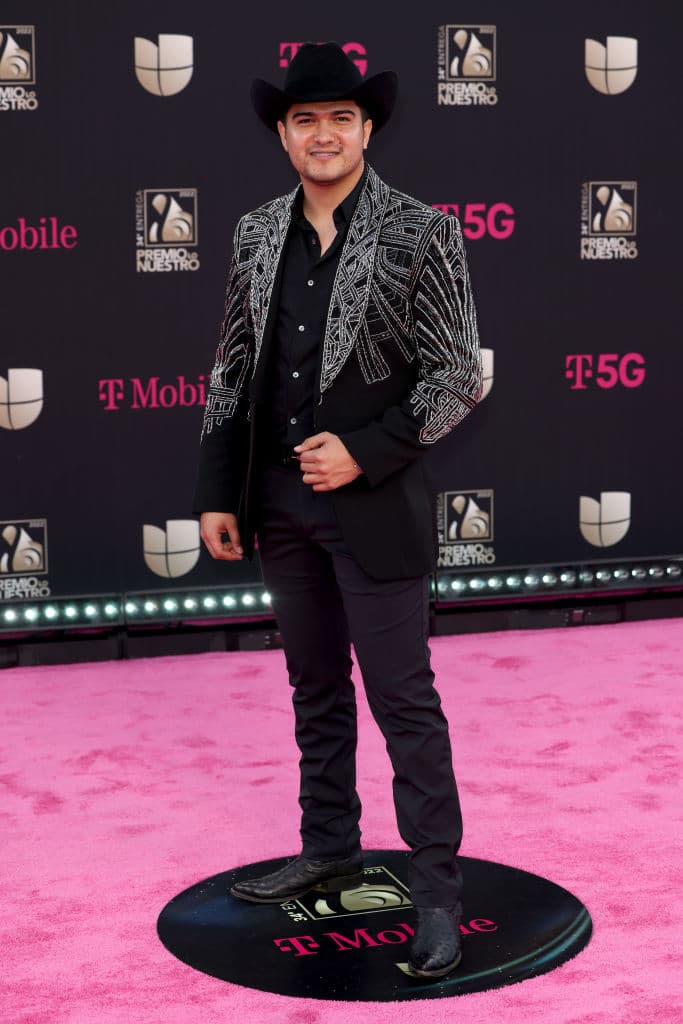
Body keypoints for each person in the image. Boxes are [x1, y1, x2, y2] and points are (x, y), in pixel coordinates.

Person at [193, 42, 482, 978]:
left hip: (376, 508)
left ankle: (436, 893)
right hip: (274, 503)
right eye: (305, 119)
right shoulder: (252, 232)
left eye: (341, 118)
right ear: (284, 135)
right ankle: (329, 847)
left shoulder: (422, 231)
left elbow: (456, 376)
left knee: (403, 701)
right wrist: (215, 490)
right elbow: (233, 365)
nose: (323, 133)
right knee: (313, 690)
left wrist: (367, 448)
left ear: (367, 129)